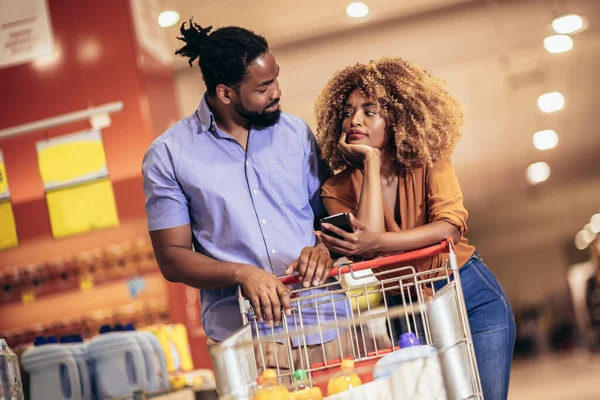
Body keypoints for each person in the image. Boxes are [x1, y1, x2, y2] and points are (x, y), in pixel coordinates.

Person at [141, 20, 349, 385]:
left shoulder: (295, 133)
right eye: (264, 87)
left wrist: (323, 248)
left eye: (276, 80)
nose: (277, 92)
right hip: (246, 343)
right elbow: (172, 257)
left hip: (325, 321)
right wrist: (241, 273)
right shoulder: (169, 156)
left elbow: (331, 215)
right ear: (225, 93)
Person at [313, 58, 516, 400]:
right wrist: (371, 164)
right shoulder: (335, 190)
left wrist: (376, 240)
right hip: (405, 308)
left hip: (467, 291)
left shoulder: (429, 158)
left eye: (369, 110)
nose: (355, 120)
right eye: (347, 112)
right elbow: (368, 252)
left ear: (396, 117)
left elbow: (449, 228)